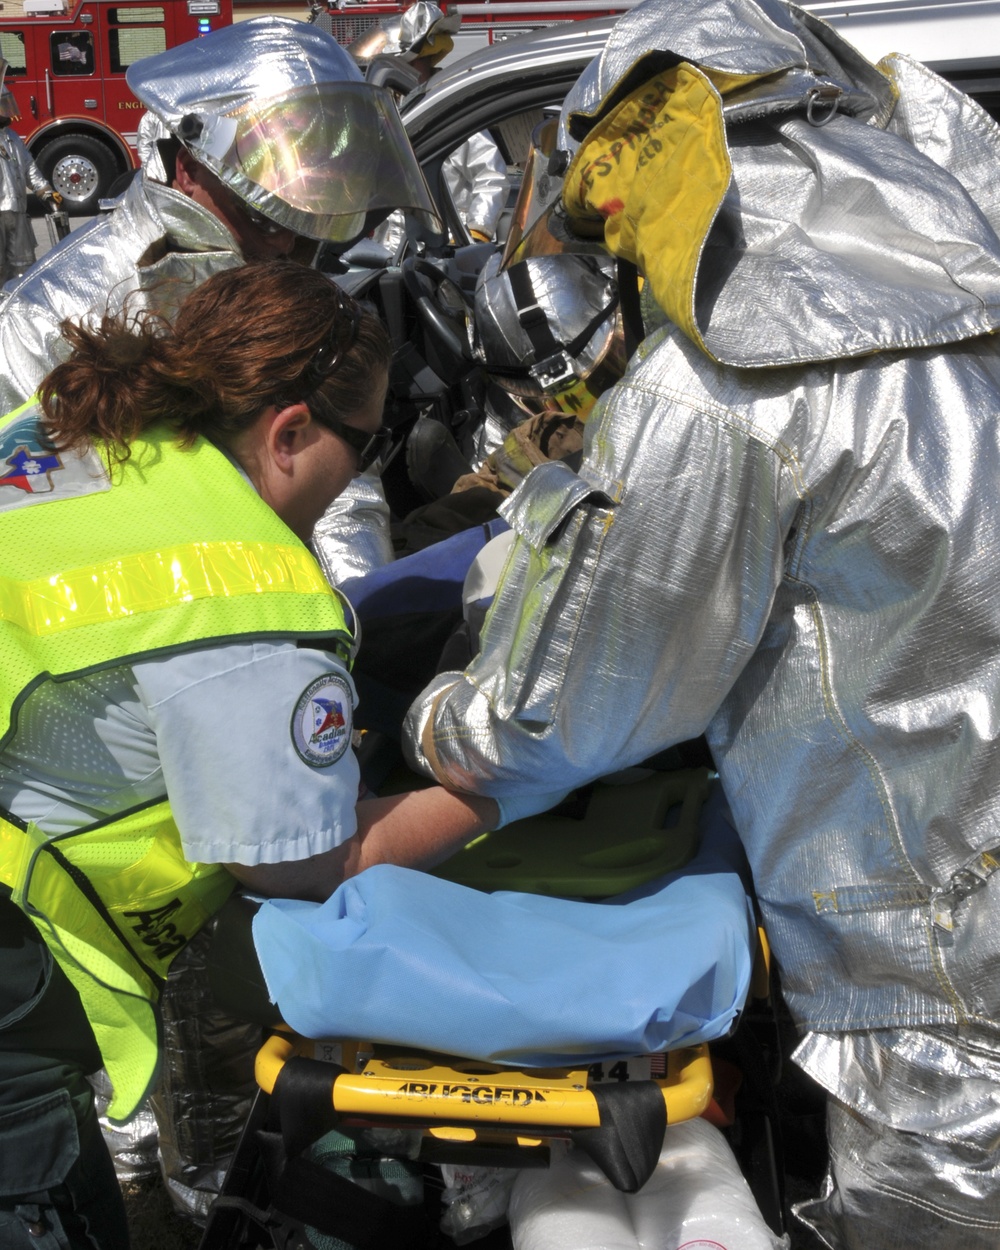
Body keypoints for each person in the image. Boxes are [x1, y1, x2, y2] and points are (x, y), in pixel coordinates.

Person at [403, 0, 1000, 1245]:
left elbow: (572, 703)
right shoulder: (970, 282)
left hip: (941, 968)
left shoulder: (729, 371)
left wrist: (436, 720)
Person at [0, 259, 500, 1250]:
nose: (362, 472)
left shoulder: (62, 433)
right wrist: (511, 783)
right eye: (369, 445)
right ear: (291, 431)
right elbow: (300, 861)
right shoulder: (236, 585)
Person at [0, 15, 439, 415]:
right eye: (266, 217)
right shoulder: (35, 323)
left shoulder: (283, 267)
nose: (286, 243)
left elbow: (325, 451)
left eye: (304, 216)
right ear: (189, 174)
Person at [349, 2, 510, 249]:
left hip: (446, 248)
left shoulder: (449, 111)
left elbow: (492, 177)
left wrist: (475, 234)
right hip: (392, 251)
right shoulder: (391, 112)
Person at [0, 66, 60, 287]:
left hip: (17, 212)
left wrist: (45, 191)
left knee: (23, 266)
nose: (7, 111)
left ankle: (18, 308)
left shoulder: (12, 137)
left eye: (7, 105)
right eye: (3, 106)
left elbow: (28, 168)